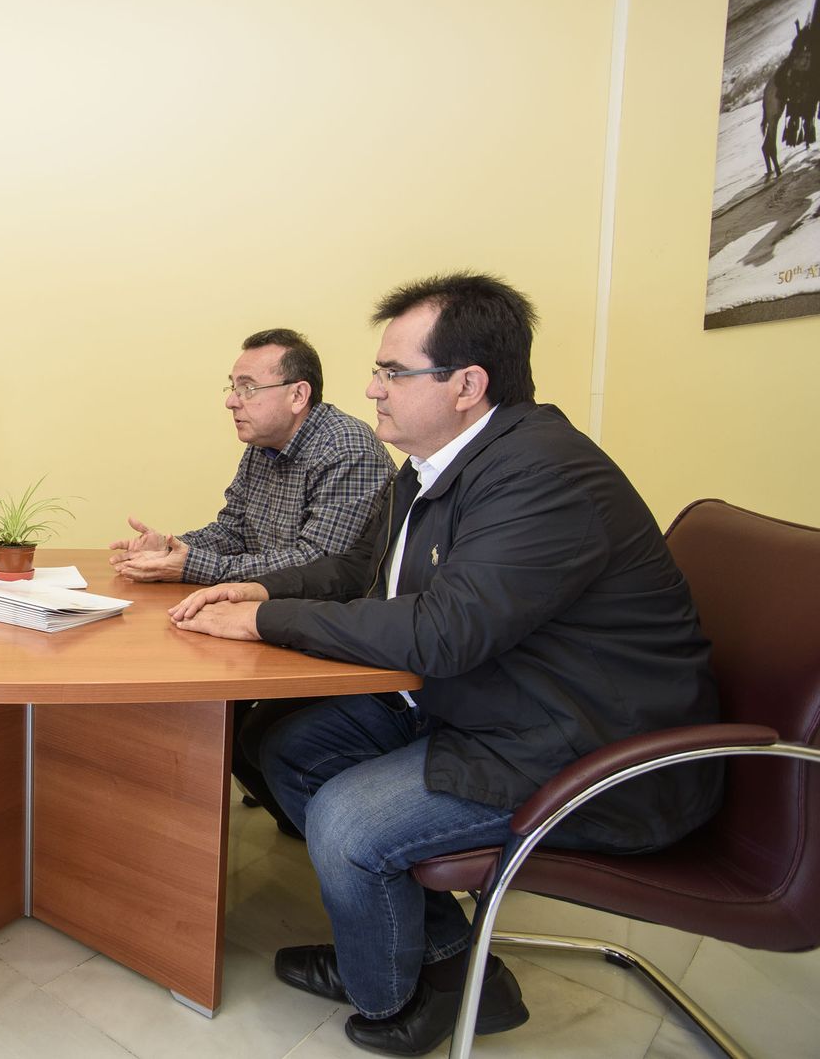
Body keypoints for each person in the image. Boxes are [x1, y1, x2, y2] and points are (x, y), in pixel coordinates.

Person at [168, 273, 720, 1056]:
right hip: (493, 701)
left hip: (591, 745)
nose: (371, 389)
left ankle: (389, 996)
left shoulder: (544, 476)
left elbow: (442, 632)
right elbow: (355, 569)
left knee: (348, 820)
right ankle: (447, 963)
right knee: (284, 746)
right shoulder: (437, 467)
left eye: (393, 372)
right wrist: (257, 589)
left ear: (467, 385)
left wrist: (263, 620)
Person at [109, 329, 393, 835]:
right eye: (232, 386)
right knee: (214, 718)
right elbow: (232, 531)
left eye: (247, 388)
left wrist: (191, 566)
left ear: (298, 394)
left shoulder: (347, 448)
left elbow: (319, 565)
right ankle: (290, 818)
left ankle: (310, 827)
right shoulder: (262, 447)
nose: (230, 401)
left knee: (241, 732)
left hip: (329, 632)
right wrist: (171, 548)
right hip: (264, 619)